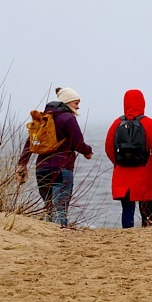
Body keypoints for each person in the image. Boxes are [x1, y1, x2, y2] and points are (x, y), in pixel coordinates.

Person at [15, 87, 93, 227]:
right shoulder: (68, 118)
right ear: (68, 102)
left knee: (49, 207)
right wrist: (88, 151)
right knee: (60, 209)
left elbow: (30, 143)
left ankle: (49, 236)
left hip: (41, 169)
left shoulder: (43, 119)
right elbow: (77, 143)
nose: (78, 106)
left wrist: (22, 164)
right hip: (61, 169)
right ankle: (60, 239)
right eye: (76, 103)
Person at [105, 89, 152, 228]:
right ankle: (147, 232)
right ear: (143, 103)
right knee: (146, 208)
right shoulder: (150, 124)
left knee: (127, 208)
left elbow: (108, 148)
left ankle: (127, 234)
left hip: (122, 172)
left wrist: (118, 162)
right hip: (144, 171)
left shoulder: (116, 124)